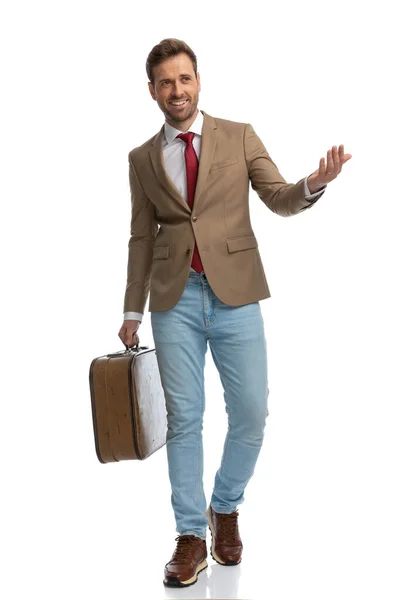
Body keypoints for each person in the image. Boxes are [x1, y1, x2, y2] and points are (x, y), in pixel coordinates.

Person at [118, 38, 352, 588]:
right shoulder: (141, 159)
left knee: (251, 413)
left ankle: (224, 507)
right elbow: (138, 237)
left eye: (185, 79)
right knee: (185, 420)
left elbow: (278, 197)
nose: (177, 91)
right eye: (166, 83)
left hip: (236, 293)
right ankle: (189, 537)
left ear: (199, 81)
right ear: (152, 91)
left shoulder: (240, 136)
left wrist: (313, 185)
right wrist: (132, 309)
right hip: (172, 297)